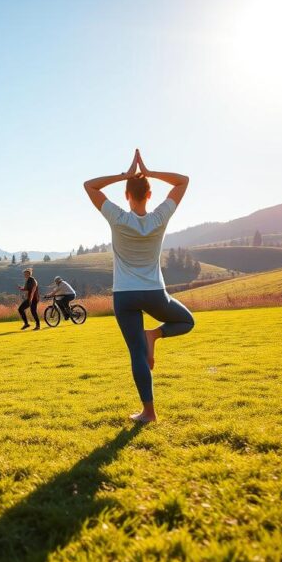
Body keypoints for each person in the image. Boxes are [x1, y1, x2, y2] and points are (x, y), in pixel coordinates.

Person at [84, 149, 194, 423]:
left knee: (136, 354)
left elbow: (90, 186)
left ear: (126, 195)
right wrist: (150, 172)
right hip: (155, 292)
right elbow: (183, 181)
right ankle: (154, 335)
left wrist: (125, 175)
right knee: (187, 321)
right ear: (149, 195)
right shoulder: (159, 218)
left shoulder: (118, 218)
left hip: (125, 295)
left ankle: (149, 412)